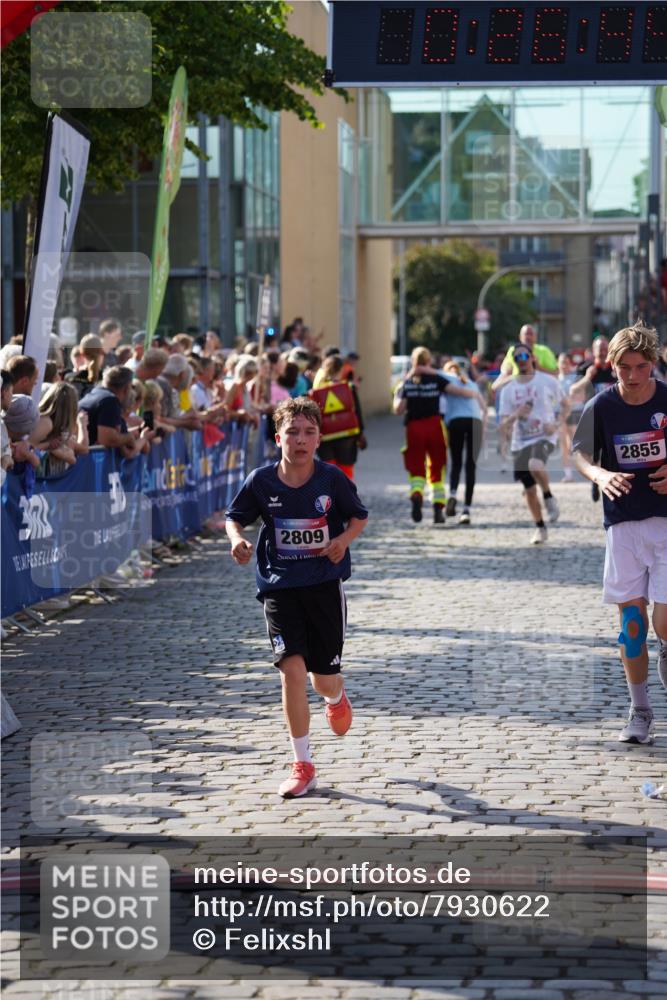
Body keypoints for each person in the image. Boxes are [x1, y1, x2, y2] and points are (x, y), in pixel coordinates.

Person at [225, 397, 368, 799]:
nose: (300, 440)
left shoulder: (331, 479)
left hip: (323, 585)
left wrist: (341, 540)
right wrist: (237, 539)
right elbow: (235, 516)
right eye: (292, 432)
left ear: (319, 438)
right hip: (279, 584)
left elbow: (359, 516)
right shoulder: (262, 481)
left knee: (322, 679)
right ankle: (302, 763)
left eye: (308, 432)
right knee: (291, 669)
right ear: (278, 438)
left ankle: (336, 696)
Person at [572, 322, 667, 744]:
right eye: (623, 367)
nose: (632, 376)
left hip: (665, 522)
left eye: (641, 367)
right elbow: (581, 453)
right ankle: (640, 711)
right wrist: (599, 474)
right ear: (611, 364)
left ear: (654, 364)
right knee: (632, 625)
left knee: (664, 625)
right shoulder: (602, 405)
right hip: (623, 523)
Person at [393, 346, 478, 524]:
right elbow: (457, 391)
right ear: (429, 361)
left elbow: (398, 409)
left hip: (414, 428)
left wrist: (402, 391)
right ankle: (438, 509)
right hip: (434, 426)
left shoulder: (407, 382)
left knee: (416, 468)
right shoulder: (436, 378)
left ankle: (417, 494)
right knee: (437, 467)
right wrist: (473, 393)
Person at [498, 343, 568, 544]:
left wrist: (555, 424)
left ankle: (548, 496)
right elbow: (502, 426)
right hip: (520, 442)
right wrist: (516, 415)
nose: (521, 360)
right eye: (517, 357)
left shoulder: (547, 381)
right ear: (513, 361)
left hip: (544, 436)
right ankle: (540, 528)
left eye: (524, 356)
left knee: (535, 465)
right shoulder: (508, 390)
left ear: (532, 358)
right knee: (528, 490)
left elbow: (566, 405)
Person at [442, 360, 487, 524]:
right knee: (471, 465)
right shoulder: (471, 384)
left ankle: (453, 493)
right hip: (475, 422)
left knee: (456, 462)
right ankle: (466, 509)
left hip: (456, 421)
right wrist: (483, 430)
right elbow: (484, 409)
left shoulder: (446, 379)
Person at [310, 354, 366, 481]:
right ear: (341, 370)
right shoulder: (348, 387)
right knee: (346, 471)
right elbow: (356, 411)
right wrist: (360, 433)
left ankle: (331, 498)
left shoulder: (316, 390)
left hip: (325, 436)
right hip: (346, 435)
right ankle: (346, 498)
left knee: (329, 471)